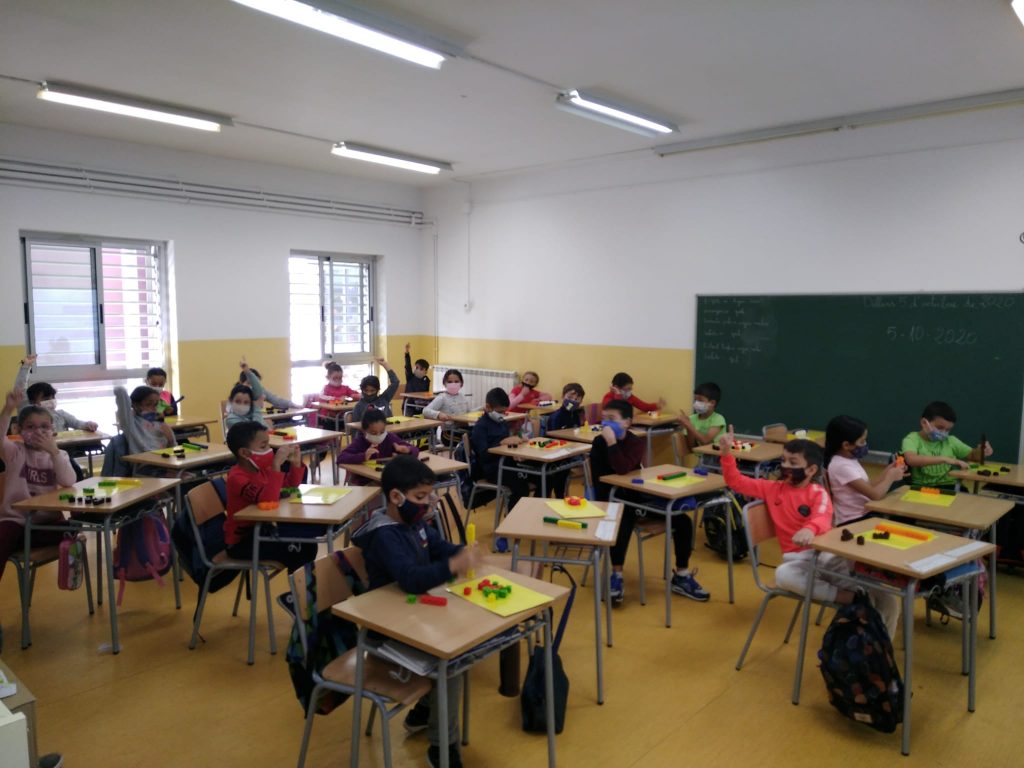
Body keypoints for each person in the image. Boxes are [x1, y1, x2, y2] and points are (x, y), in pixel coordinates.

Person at [351, 456, 479, 768]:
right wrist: (453, 566)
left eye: (429, 495)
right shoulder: (385, 535)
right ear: (396, 497)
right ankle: (442, 747)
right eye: (420, 497)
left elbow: (438, 547)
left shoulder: (415, 523)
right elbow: (411, 579)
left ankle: (424, 711)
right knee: (450, 661)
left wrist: (461, 552)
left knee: (464, 645)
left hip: (412, 617)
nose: (427, 503)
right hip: (385, 632)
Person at [718, 428, 898, 630]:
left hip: (825, 554)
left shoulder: (817, 492)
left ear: (811, 470)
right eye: (783, 460)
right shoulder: (772, 488)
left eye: (793, 462)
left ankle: (876, 630)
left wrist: (810, 529)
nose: (786, 466)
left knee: (882, 595)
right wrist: (726, 453)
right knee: (783, 575)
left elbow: (822, 516)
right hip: (797, 560)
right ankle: (849, 598)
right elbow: (736, 481)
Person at [592, 399, 708, 603]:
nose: (606, 423)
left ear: (627, 422)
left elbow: (624, 467)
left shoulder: (635, 443)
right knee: (623, 519)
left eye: (612, 418)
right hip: (609, 500)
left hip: (636, 497)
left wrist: (614, 445)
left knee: (682, 521)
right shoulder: (600, 442)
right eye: (604, 418)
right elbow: (618, 470)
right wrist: (611, 443)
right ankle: (616, 575)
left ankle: (681, 575)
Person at [0, 390, 78, 588]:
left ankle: (20, 540)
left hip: (46, 521)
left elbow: (69, 480)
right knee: (4, 536)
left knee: (74, 527)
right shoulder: (15, 451)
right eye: (30, 427)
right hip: (15, 519)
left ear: (52, 430)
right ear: (19, 429)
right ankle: (17, 539)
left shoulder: (59, 455)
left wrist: (53, 452)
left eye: (44, 427)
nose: (38, 432)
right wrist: (8, 409)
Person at [223, 421, 316, 571]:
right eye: (263, 446)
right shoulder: (237, 478)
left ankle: (303, 584)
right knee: (298, 549)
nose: (269, 450)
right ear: (244, 453)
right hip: (243, 541)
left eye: (268, 444)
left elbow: (290, 487)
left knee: (308, 542)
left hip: (263, 530)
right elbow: (268, 501)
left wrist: (296, 464)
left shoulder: (262, 469)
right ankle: (300, 585)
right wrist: (276, 466)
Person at [824, 415, 906, 524]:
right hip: (853, 520)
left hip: (865, 514)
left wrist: (889, 470)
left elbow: (869, 486)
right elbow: (875, 495)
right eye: (862, 441)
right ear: (846, 445)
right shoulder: (841, 466)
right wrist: (891, 477)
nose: (865, 444)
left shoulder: (849, 459)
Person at [901, 401, 992, 487]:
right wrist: (945, 459)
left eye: (948, 430)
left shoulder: (951, 441)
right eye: (939, 428)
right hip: (921, 488)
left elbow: (972, 455)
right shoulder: (912, 439)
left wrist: (982, 451)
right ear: (924, 423)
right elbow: (911, 460)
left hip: (949, 485)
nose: (944, 433)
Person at [469, 388, 530, 508]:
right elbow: (484, 455)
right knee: (521, 488)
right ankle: (513, 518)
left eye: (505, 411)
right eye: (500, 412)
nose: (503, 414)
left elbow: (506, 446)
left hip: (507, 463)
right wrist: (502, 442)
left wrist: (518, 440)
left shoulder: (501, 422)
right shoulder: (480, 427)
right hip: (492, 470)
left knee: (542, 476)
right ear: (488, 407)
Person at [12, 354, 98, 433]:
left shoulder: (61, 415)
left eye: (53, 397)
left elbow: (78, 423)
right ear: (32, 402)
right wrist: (26, 366)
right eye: (46, 399)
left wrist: (88, 425)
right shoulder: (26, 414)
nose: (51, 401)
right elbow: (20, 388)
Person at [338, 410, 419, 485]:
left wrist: (408, 450)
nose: (378, 435)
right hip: (366, 482)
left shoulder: (390, 438)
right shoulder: (360, 442)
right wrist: (363, 456)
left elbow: (415, 450)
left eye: (382, 432)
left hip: (387, 479)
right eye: (373, 433)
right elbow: (341, 458)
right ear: (364, 431)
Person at [114, 385, 175, 455]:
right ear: (135, 405)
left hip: (163, 458)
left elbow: (173, 450)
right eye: (149, 404)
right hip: (143, 460)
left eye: (156, 404)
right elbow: (120, 390)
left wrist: (170, 440)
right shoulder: (130, 422)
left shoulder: (160, 423)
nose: (154, 408)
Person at [677, 381, 725, 453]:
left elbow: (705, 441)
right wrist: (688, 427)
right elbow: (692, 447)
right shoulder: (692, 418)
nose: (696, 403)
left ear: (712, 403)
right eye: (695, 400)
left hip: (716, 457)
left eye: (700, 400)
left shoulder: (718, 419)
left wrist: (689, 426)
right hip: (700, 458)